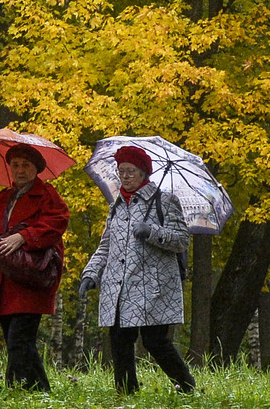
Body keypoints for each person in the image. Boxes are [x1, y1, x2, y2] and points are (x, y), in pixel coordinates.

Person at [78, 145, 197, 394]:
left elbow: (182, 240)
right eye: (121, 171)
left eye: (131, 171)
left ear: (143, 173)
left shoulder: (165, 201)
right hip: (120, 286)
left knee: (155, 342)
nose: (125, 176)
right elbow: (106, 245)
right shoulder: (117, 206)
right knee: (120, 341)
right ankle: (126, 392)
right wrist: (91, 273)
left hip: (154, 287)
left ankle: (186, 386)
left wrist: (152, 232)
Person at [0, 143, 69, 392]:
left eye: (26, 165)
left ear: (36, 168)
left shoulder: (47, 195)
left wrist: (24, 236)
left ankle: (13, 390)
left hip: (30, 279)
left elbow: (58, 221)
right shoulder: (1, 199)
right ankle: (40, 391)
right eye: (15, 165)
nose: (20, 170)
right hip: (3, 281)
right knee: (18, 342)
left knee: (19, 340)